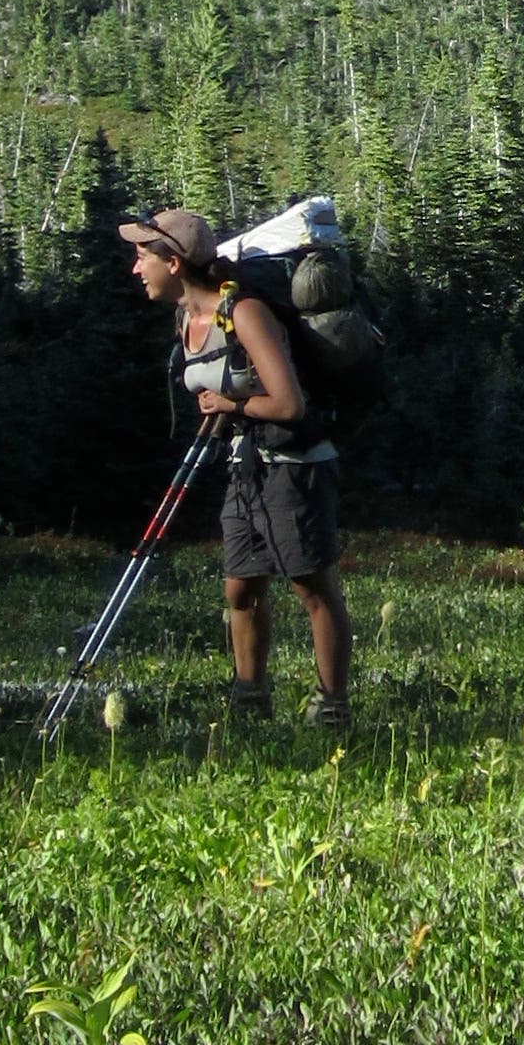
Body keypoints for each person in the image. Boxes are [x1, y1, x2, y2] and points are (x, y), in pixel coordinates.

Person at [119, 202, 352, 727]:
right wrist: (230, 412)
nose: (136, 269)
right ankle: (249, 698)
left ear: (173, 263)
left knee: (309, 584)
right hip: (246, 463)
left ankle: (331, 706)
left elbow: (290, 404)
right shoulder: (188, 317)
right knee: (240, 587)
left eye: (142, 258)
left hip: (295, 464)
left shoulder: (244, 312)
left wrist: (231, 406)